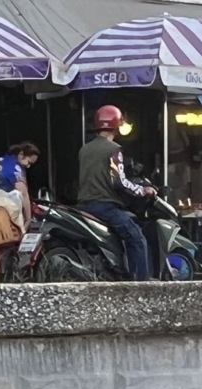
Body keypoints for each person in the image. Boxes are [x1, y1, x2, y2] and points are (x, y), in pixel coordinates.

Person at [75, 104, 152, 281]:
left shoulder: (84, 149)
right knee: (137, 238)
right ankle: (143, 284)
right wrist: (142, 190)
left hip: (83, 205)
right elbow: (119, 181)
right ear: (116, 124)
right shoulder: (114, 149)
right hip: (105, 206)